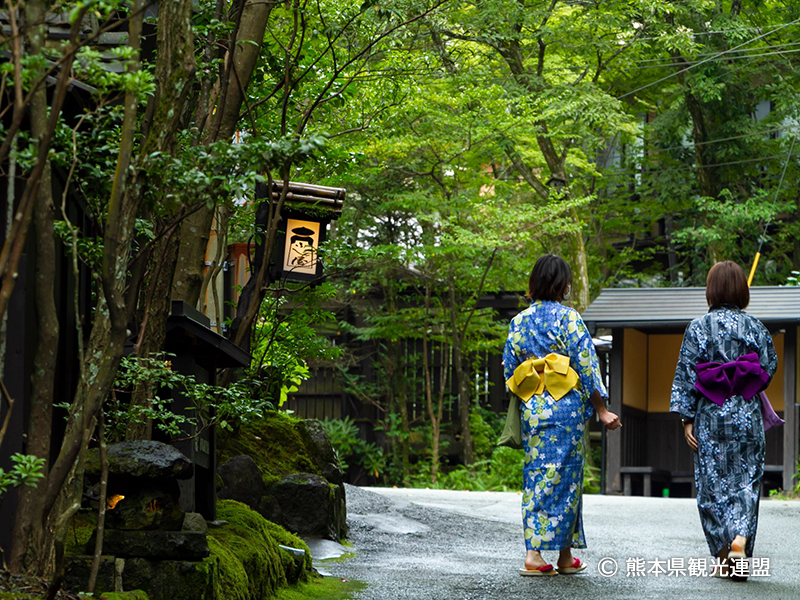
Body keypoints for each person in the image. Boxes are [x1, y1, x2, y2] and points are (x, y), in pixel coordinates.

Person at [503, 254, 621, 577]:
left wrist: (532, 393)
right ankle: (561, 555)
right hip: (566, 411)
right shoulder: (568, 319)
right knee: (568, 481)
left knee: (536, 478)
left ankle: (540, 553)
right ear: (562, 285)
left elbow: (509, 372)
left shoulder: (518, 323)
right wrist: (601, 409)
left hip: (534, 411)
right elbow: (586, 366)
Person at [670, 261, 777, 580]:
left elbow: (686, 374)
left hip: (711, 415)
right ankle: (740, 542)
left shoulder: (698, 327)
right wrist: (743, 379)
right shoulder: (756, 326)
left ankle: (723, 553)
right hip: (746, 414)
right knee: (747, 482)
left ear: (711, 290)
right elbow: (768, 368)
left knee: (711, 485)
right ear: (742, 290)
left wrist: (686, 419)